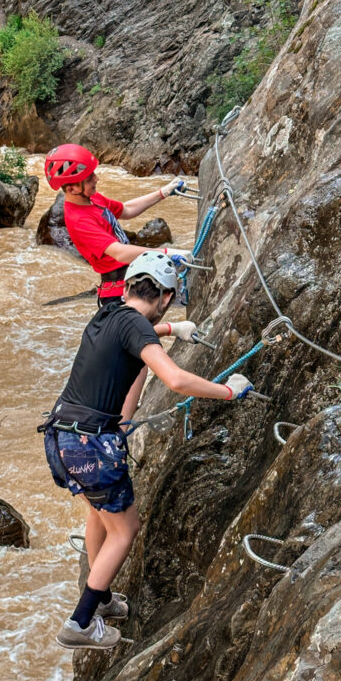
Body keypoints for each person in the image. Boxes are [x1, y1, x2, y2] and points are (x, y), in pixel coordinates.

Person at [40, 251, 253, 650]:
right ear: (166, 297)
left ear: (130, 286)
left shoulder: (107, 314)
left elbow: (132, 352)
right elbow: (173, 379)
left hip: (62, 435)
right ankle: (80, 622)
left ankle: (100, 599)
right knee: (126, 529)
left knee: (97, 514)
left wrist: (170, 331)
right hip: (91, 443)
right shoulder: (137, 326)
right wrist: (227, 391)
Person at [43, 143, 193, 305]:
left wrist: (163, 192)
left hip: (132, 281)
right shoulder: (79, 221)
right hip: (117, 295)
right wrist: (165, 253)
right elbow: (120, 253)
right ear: (72, 189)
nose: (96, 179)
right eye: (89, 178)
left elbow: (126, 210)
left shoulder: (93, 199)